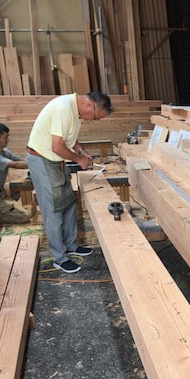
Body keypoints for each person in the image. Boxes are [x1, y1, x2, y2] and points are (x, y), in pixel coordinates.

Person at [27, 91, 112, 274]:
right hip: (43, 159)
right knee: (54, 209)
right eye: (96, 117)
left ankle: (71, 245)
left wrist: (81, 151)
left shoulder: (75, 111)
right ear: (90, 105)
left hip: (55, 160)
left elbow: (68, 138)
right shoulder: (64, 109)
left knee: (68, 202)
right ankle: (59, 258)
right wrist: (78, 160)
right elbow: (57, 146)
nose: (93, 120)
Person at [0, 122, 35, 224]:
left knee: (20, 190)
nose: (8, 140)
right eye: (5, 137)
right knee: (25, 217)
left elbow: (20, 161)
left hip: (1, 192)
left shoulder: (5, 152)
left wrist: (35, 161)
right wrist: (37, 165)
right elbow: (15, 165)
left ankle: (2, 210)